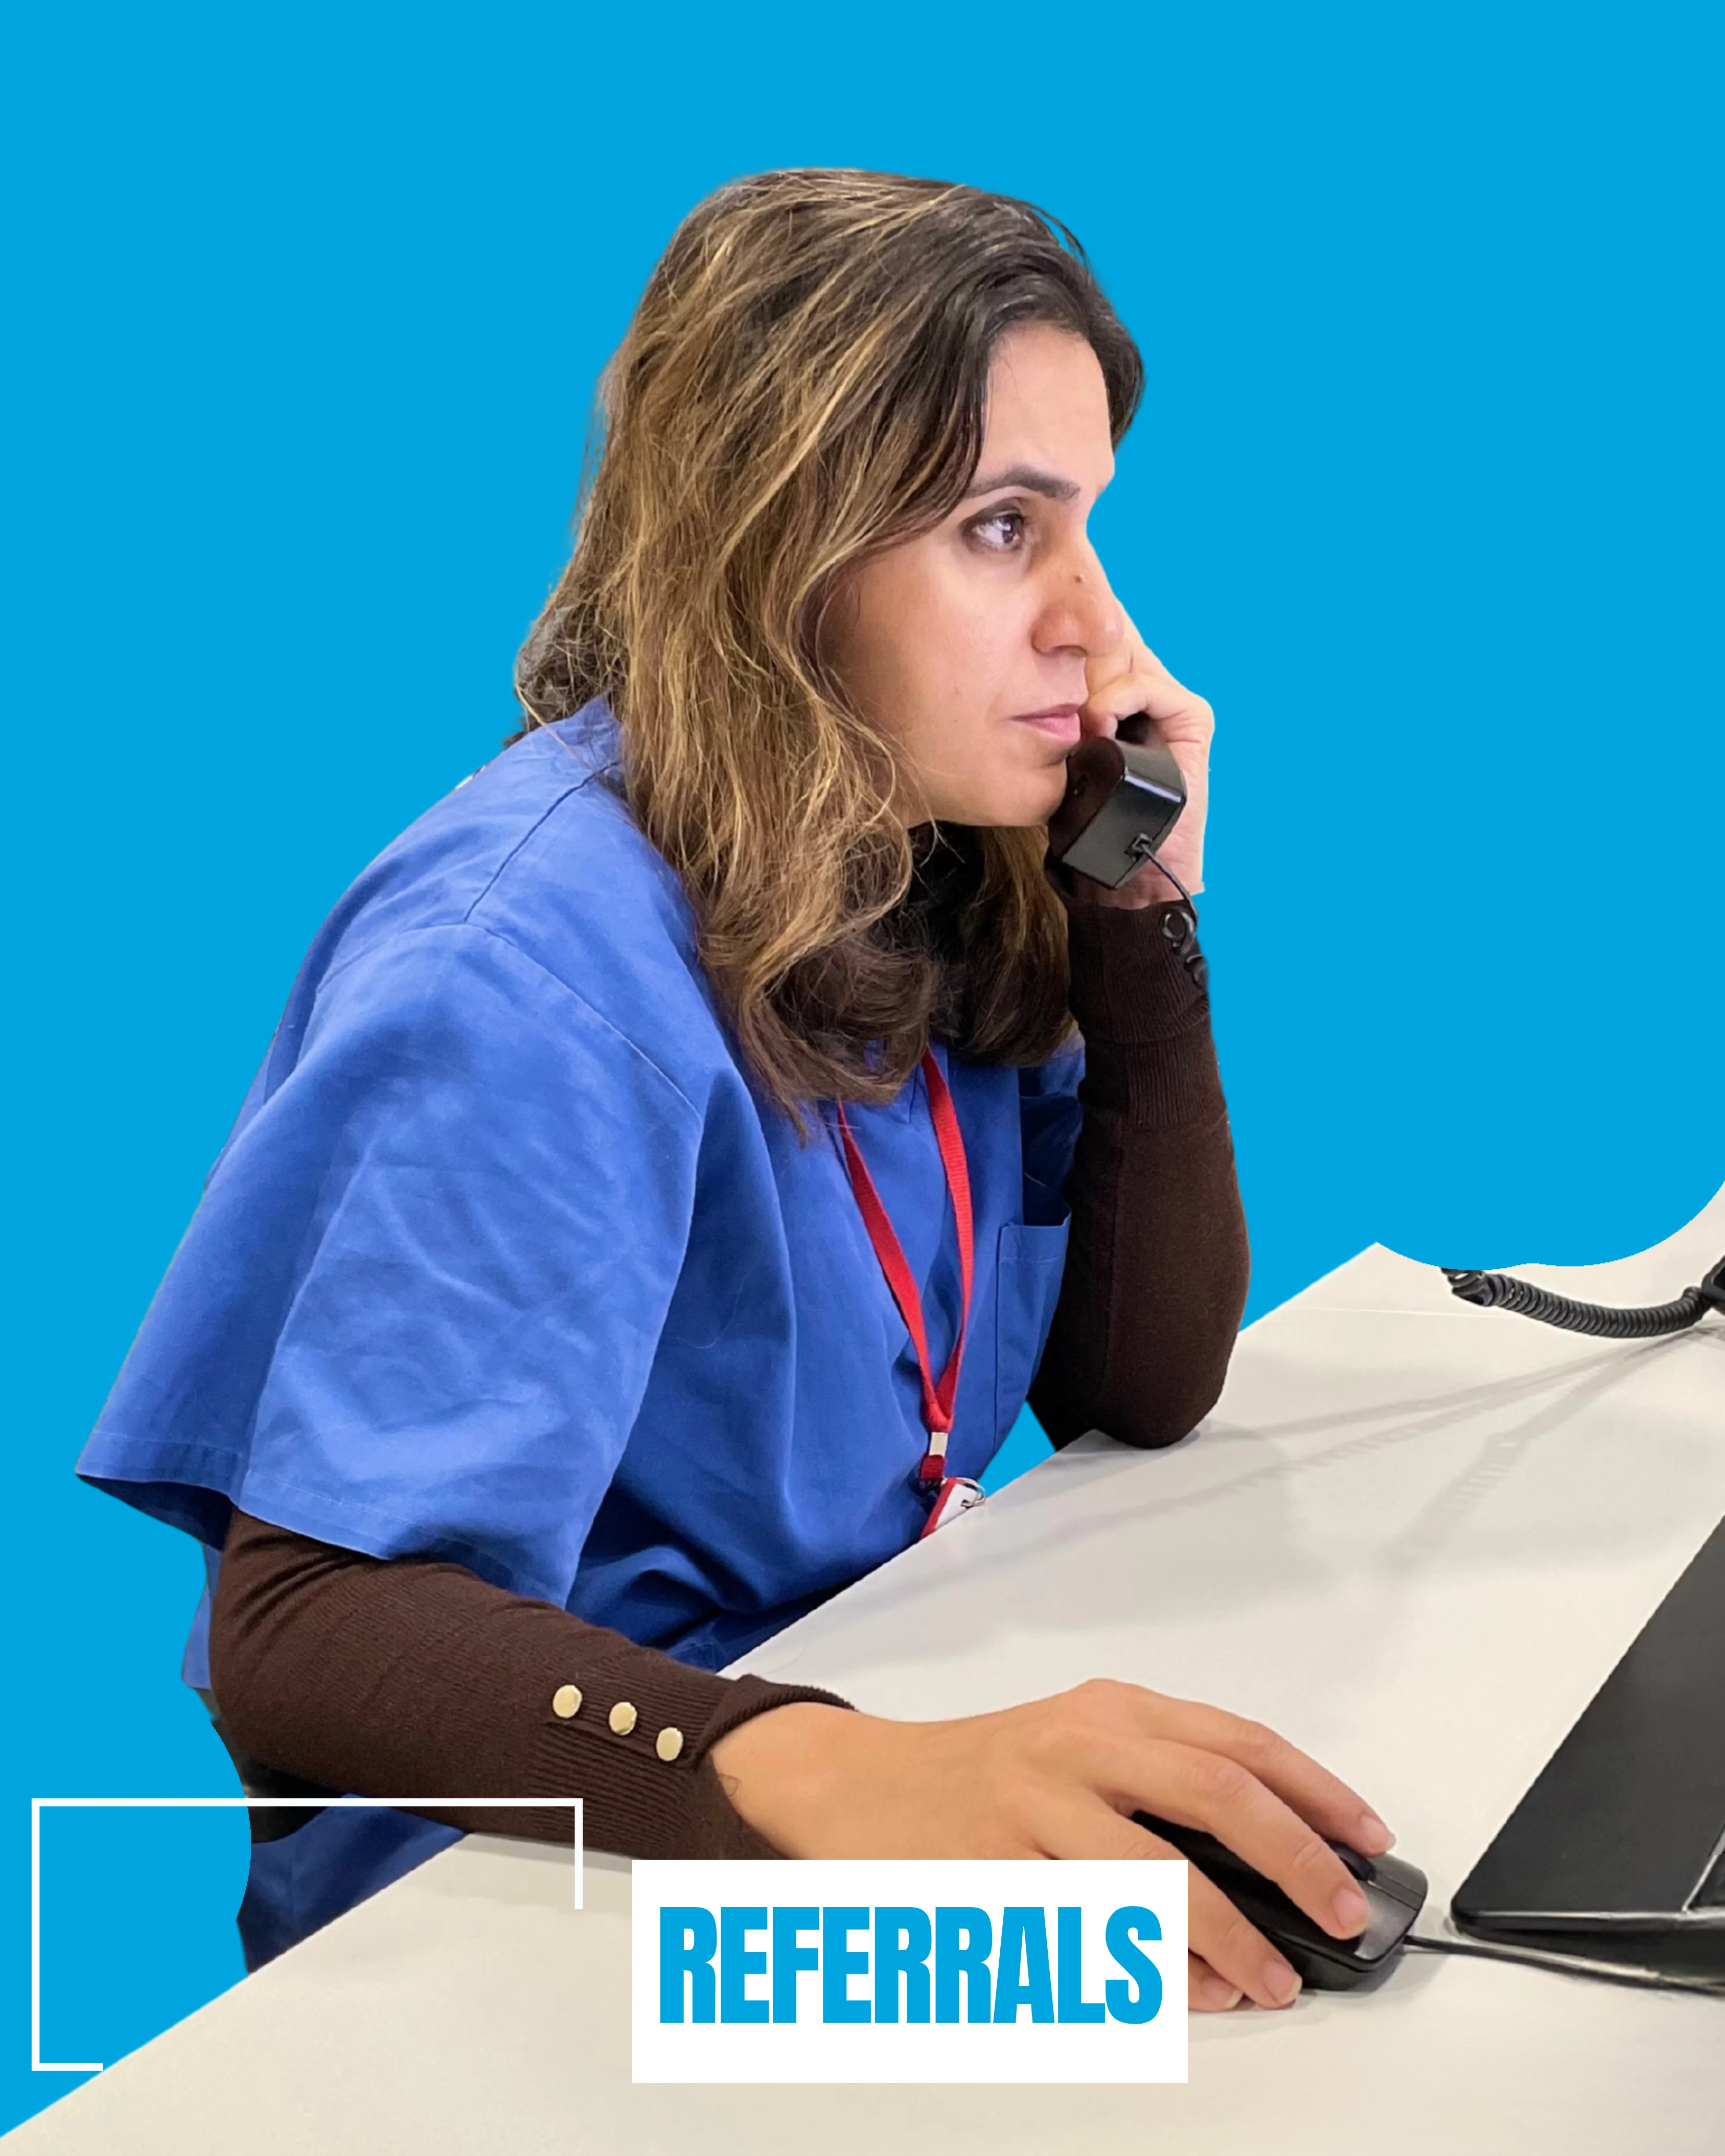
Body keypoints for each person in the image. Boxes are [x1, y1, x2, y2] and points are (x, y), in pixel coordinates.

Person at [78, 169, 1391, 2015]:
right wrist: (864, 1774)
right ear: (782, 549)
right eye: (1003, 529)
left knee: (1306, 2000)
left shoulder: (910, 855)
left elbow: (1136, 1386)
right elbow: (303, 1629)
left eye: (1084, 526)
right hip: (521, 1911)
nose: (1094, 625)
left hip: (828, 1725)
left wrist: (1139, 910)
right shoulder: (524, 966)